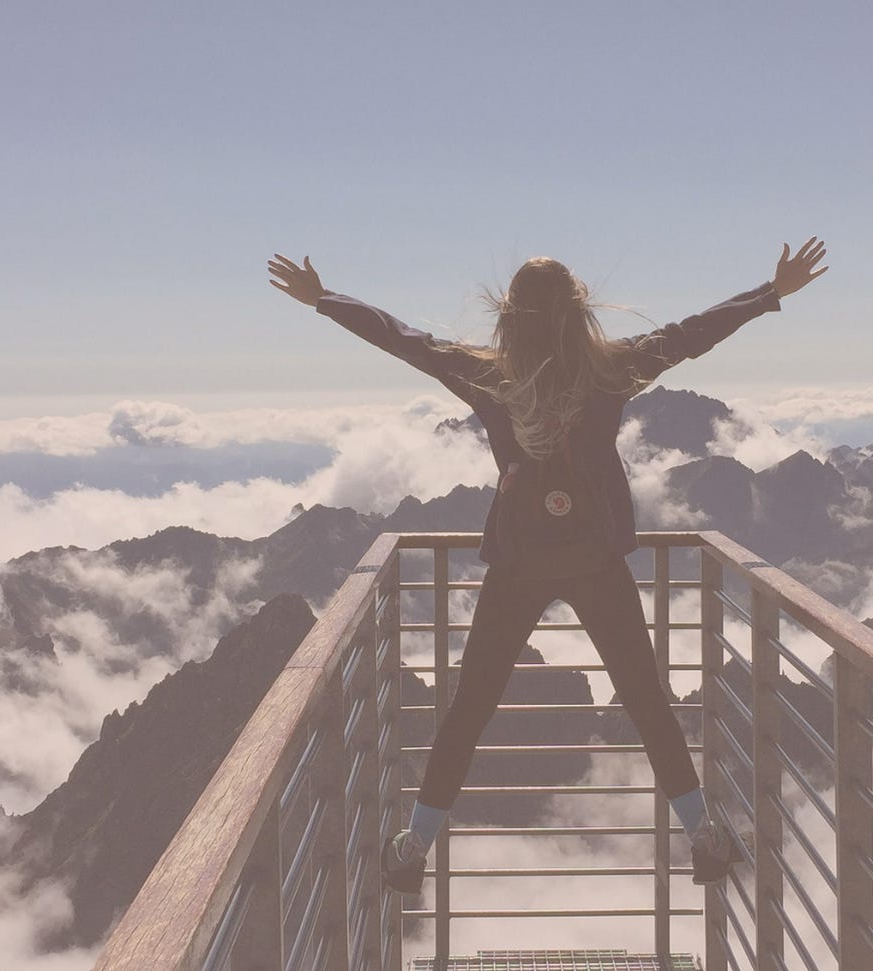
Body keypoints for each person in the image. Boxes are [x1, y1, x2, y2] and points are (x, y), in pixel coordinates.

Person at [267, 238, 828, 895]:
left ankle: (413, 844)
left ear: (510, 315)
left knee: (470, 706)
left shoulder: (487, 375)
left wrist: (325, 300)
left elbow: (404, 340)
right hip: (596, 561)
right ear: (578, 308)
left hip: (519, 563)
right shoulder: (613, 370)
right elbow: (693, 333)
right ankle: (704, 834)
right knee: (647, 701)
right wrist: (769, 293)